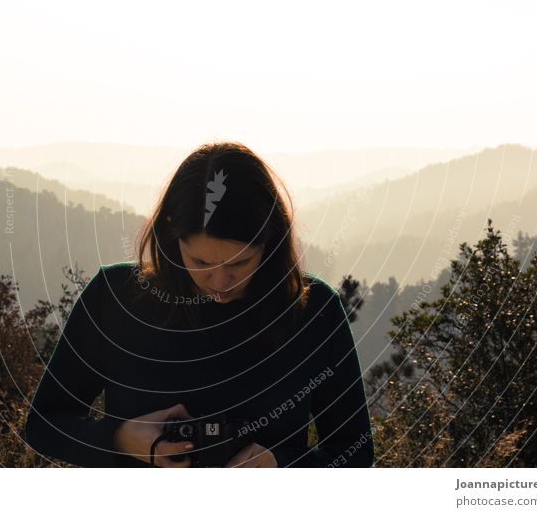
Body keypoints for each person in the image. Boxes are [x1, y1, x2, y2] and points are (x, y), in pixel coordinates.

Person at [23, 141, 374, 467]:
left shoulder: (313, 311)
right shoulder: (116, 300)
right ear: (172, 237)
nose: (220, 283)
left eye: (240, 263)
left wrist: (279, 465)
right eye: (201, 263)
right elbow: (44, 425)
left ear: (271, 242)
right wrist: (118, 439)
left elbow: (355, 454)